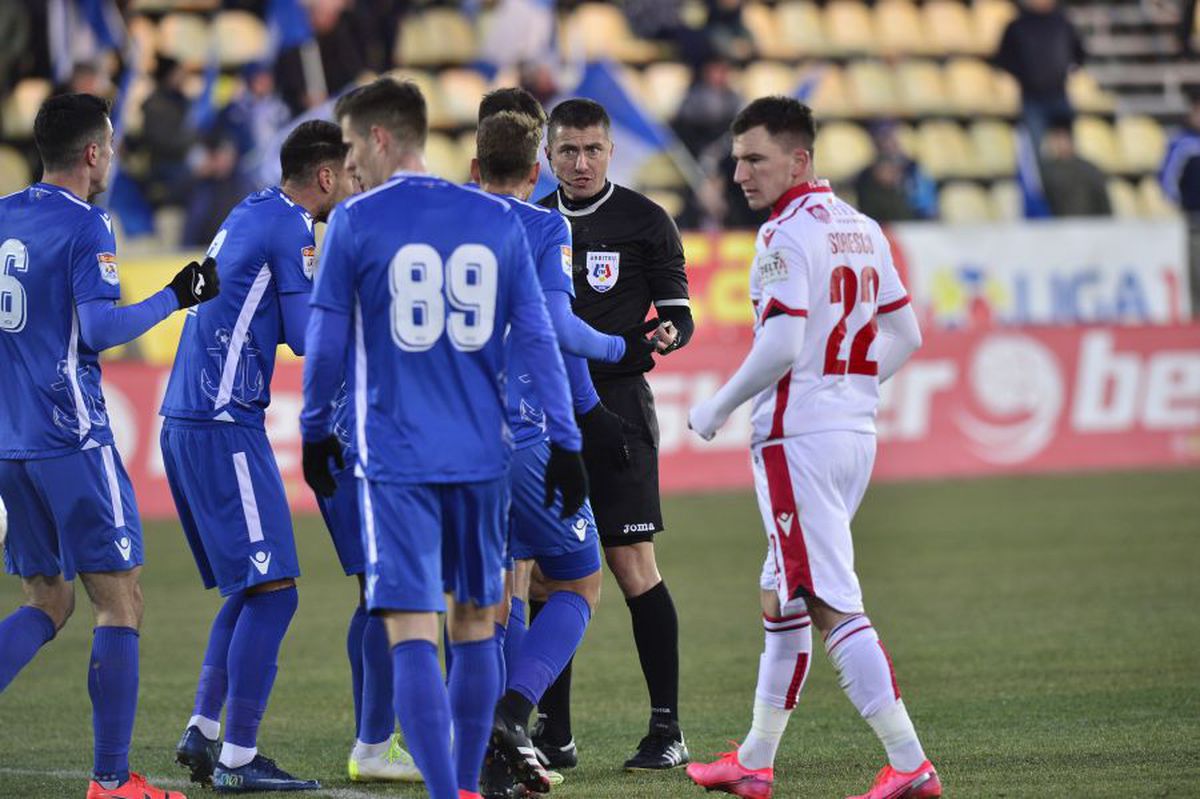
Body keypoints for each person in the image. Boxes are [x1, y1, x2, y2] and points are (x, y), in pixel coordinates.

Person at [299, 77, 588, 799]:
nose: (344, 159)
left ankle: (444, 793)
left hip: (397, 461)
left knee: (410, 629)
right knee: (475, 619)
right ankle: (465, 782)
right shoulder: (496, 220)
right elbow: (541, 341)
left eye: (348, 141)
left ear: (379, 138)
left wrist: (311, 432)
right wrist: (568, 440)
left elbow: (325, 344)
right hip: (482, 459)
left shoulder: (356, 223)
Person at [684, 96, 935, 799]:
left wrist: (717, 404)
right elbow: (906, 336)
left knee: (827, 599)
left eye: (755, 158)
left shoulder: (783, 236)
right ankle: (755, 758)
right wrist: (848, 383)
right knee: (780, 592)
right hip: (853, 432)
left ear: (799, 160)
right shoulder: (862, 227)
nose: (739, 174)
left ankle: (909, 760)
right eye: (736, 159)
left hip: (797, 441)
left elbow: (784, 341)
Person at [0, 92, 219, 799]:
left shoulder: (2, 216)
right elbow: (96, 332)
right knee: (118, 601)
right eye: (113, 146)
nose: (114, 158)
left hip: (10, 438)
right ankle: (112, 780)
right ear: (93, 152)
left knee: (47, 599)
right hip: (72, 436)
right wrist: (176, 296)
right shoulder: (88, 225)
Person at [469, 89, 665, 798]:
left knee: (498, 590)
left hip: (444, 440)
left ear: (473, 162)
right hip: (519, 435)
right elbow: (560, 331)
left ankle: (484, 752)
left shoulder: (440, 221)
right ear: (538, 172)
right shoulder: (544, 226)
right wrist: (620, 347)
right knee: (579, 580)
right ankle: (515, 715)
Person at [160, 120, 355, 793]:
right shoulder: (293, 228)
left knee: (251, 584)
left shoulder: (252, 208)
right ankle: (239, 759)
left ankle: (205, 730)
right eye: (348, 173)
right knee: (275, 592)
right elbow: (306, 336)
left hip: (187, 414)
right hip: (221, 421)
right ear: (326, 176)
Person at [536, 97, 694, 772]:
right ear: (547, 154)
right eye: (567, 150)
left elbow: (679, 312)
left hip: (619, 404)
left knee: (632, 567)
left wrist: (668, 331)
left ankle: (667, 729)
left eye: (592, 149)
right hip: (545, 411)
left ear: (610, 152)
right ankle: (555, 734)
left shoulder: (644, 220)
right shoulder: (533, 219)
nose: (579, 162)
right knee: (547, 576)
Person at [993, 0, 1085, 149]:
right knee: (1033, 147)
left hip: (1059, 94)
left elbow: (1079, 54)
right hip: (1032, 98)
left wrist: (1066, 71)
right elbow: (1004, 58)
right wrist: (1024, 76)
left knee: (1066, 150)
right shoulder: (1017, 26)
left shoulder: (1063, 24)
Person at [1159, 92, 1200, 316]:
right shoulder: (1182, 143)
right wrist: (1182, 205)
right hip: (1194, 222)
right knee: (1196, 278)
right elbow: (1167, 181)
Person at [1039, 118, 1111, 218]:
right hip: (1061, 228)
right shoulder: (1047, 172)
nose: (1059, 144)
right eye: (1056, 139)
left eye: (1063, 138)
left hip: (1091, 226)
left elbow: (1104, 204)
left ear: (1071, 140)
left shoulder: (1089, 169)